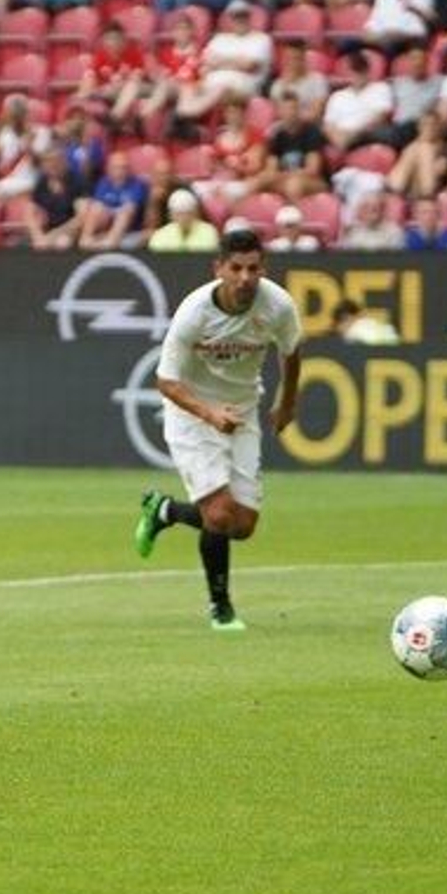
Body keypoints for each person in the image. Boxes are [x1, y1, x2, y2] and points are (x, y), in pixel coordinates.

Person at [132, 228, 303, 632]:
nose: (245, 278)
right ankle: (220, 608)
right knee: (220, 514)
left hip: (241, 412)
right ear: (220, 269)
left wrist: (287, 403)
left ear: (263, 268)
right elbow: (166, 381)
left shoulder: (277, 305)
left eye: (253, 269)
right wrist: (209, 414)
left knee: (243, 525)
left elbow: (292, 353)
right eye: (236, 268)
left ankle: (165, 510)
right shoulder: (194, 312)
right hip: (192, 413)